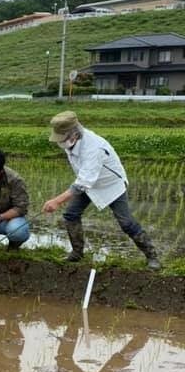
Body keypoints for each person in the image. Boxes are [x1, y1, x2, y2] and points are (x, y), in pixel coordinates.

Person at [42, 111, 160, 270]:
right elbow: (84, 178)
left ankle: (152, 256)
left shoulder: (93, 147)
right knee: (71, 214)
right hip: (88, 183)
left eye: (62, 138)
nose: (59, 142)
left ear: (73, 135)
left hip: (111, 185)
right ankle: (77, 253)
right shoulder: (70, 142)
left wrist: (56, 201)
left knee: (126, 223)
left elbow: (82, 183)